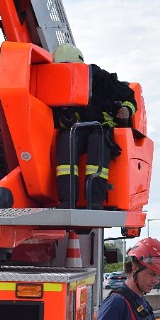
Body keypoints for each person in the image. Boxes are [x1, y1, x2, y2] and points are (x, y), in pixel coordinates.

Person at [51, 43, 137, 210]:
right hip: (77, 130)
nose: (67, 72)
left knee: (98, 140)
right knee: (67, 138)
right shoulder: (56, 84)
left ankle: (95, 201)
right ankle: (67, 201)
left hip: (102, 129)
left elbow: (129, 98)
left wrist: (126, 110)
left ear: (81, 67)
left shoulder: (102, 79)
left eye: (70, 68)